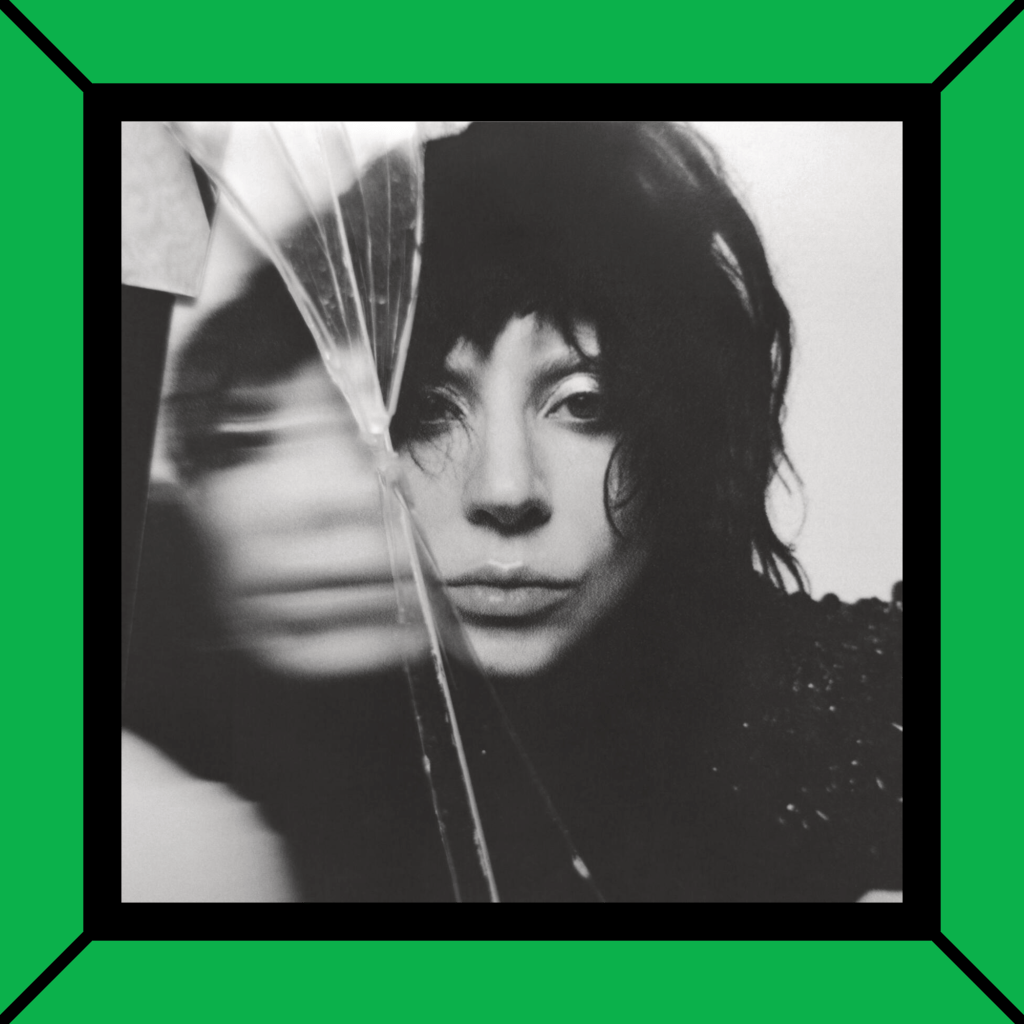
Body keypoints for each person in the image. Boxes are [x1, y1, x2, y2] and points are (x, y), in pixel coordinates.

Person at [123, 121, 902, 902]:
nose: (504, 490)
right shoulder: (251, 646)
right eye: (425, 405)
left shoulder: (832, 708)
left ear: (683, 427)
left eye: (586, 403)